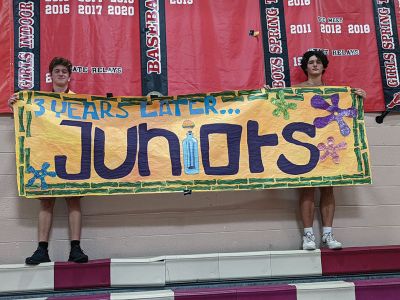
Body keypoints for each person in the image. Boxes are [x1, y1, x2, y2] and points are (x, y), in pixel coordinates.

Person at [8, 57, 89, 264]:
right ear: (51, 76)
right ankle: (42, 250)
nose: (61, 74)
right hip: (47, 156)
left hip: (72, 156)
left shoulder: (79, 100)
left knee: (74, 200)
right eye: (57, 71)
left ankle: (76, 249)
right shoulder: (39, 100)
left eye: (64, 71)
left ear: (69, 77)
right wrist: (16, 107)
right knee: (46, 201)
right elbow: (26, 121)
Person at [294, 50, 366, 250]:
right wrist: (268, 93)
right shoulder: (296, 89)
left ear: (324, 66)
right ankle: (308, 236)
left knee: (328, 188)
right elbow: (277, 105)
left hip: (329, 145)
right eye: (311, 62)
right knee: (306, 189)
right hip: (306, 145)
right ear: (305, 67)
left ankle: (328, 234)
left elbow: (350, 111)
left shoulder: (337, 92)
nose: (315, 65)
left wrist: (360, 98)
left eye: (318, 62)